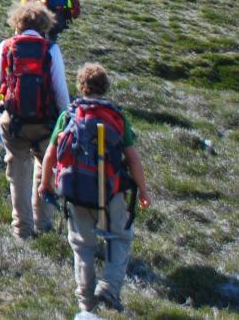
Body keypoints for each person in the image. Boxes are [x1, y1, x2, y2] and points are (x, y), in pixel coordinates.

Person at [40, 63, 152, 315]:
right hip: (111, 192)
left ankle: (86, 303)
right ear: (105, 86)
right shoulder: (117, 116)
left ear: (81, 86)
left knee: (82, 245)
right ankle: (110, 287)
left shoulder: (68, 116)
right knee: (121, 236)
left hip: (76, 191)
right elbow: (132, 159)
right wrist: (143, 191)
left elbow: (50, 154)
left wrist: (45, 183)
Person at [0, 0, 71, 239]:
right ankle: (43, 223)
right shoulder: (51, 50)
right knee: (45, 168)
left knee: (17, 172)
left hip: (13, 122)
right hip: (46, 124)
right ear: (45, 24)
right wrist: (63, 121)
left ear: (17, 23)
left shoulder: (6, 46)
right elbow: (61, 92)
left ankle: (21, 229)